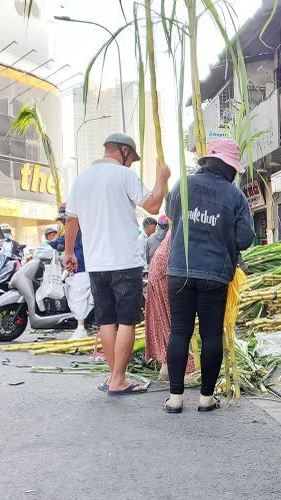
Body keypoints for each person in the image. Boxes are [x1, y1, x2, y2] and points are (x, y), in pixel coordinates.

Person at [63, 133, 170, 396]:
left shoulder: (81, 180)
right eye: (131, 158)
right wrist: (161, 179)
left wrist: (69, 252)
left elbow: (71, 220)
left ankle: (114, 377)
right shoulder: (124, 176)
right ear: (123, 151)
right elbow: (154, 206)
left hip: (96, 265)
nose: (131, 163)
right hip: (124, 262)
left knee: (107, 321)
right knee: (126, 322)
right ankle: (118, 380)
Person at [162, 138, 253, 414]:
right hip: (215, 273)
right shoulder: (235, 196)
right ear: (229, 167)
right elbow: (245, 238)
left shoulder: (183, 184)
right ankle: (206, 398)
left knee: (180, 331)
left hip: (180, 269)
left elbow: (170, 213)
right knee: (211, 334)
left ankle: (175, 399)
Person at [144, 233, 194, 383]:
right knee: (175, 323)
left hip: (159, 265)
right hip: (169, 268)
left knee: (163, 319)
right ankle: (185, 370)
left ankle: (166, 368)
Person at [50, 211, 91, 341]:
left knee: (77, 296)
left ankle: (81, 328)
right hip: (74, 271)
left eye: (65, 222)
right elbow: (56, 243)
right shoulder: (69, 235)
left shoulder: (84, 234)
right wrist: (44, 247)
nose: (64, 225)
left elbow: (84, 253)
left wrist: (70, 259)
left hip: (83, 270)